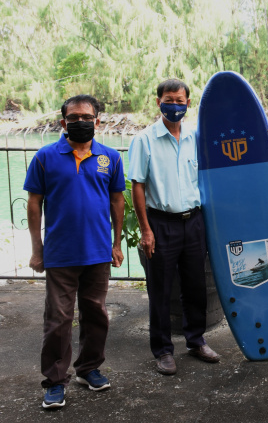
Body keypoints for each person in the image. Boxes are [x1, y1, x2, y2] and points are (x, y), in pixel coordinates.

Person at [24, 95, 125, 409]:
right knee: (58, 320)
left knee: (97, 315)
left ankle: (89, 368)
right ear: (62, 120)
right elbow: (34, 204)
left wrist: (117, 244)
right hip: (60, 255)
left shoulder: (110, 157)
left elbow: (117, 201)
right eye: (74, 116)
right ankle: (54, 381)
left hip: (97, 253)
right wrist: (37, 250)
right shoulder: (45, 157)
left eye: (87, 116)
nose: (80, 121)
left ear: (97, 120)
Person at [128, 79, 220, 375]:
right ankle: (163, 350)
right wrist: (145, 229)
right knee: (161, 289)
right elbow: (138, 186)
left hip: (193, 222)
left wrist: (265, 134)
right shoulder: (144, 140)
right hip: (160, 224)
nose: (175, 105)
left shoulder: (196, 135)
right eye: (170, 99)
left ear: (188, 103)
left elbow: (229, 148)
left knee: (195, 285)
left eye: (180, 101)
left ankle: (196, 340)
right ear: (159, 102)